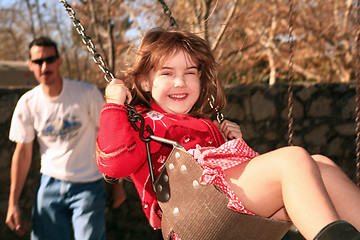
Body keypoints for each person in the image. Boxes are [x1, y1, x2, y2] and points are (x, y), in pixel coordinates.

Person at [96, 27, 360, 240]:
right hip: (194, 217)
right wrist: (114, 105)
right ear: (144, 81)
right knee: (293, 160)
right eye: (167, 73)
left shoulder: (199, 122)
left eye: (190, 73)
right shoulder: (143, 123)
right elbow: (114, 163)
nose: (181, 82)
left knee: (322, 166)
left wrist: (228, 144)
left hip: (223, 208)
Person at [5, 36, 126, 240]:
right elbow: (23, 154)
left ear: (59, 61)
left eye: (50, 59)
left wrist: (117, 185)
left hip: (89, 184)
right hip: (49, 184)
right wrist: (13, 202)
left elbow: (108, 139)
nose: (44, 66)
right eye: (37, 61)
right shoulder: (27, 103)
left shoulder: (86, 94)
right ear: (30, 65)